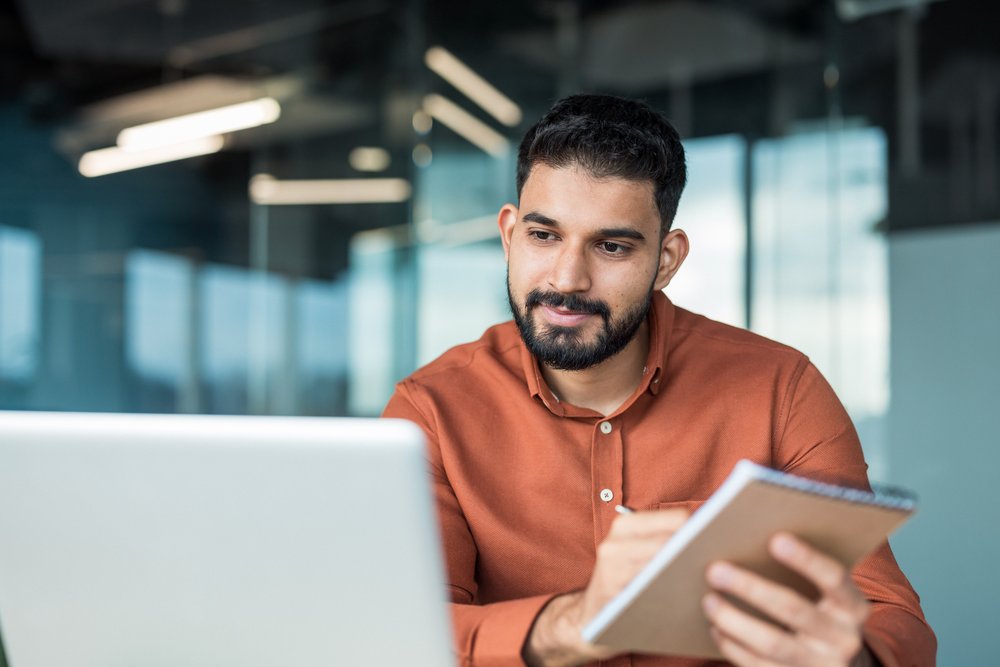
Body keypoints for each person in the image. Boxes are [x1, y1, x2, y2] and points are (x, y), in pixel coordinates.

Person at [383, 94, 935, 667]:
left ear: (667, 260)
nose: (567, 280)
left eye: (611, 246)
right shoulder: (431, 412)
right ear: (508, 234)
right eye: (543, 236)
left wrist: (853, 657)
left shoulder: (781, 390)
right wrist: (573, 624)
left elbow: (887, 614)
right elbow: (401, 632)